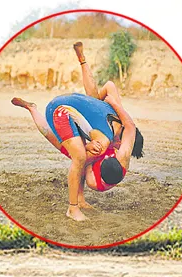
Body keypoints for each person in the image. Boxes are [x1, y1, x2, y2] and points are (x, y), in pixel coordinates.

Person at [11, 42, 144, 221]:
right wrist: (88, 147)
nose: (119, 147)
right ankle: (72, 208)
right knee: (78, 157)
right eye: (120, 146)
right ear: (120, 143)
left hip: (77, 104)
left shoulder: (116, 115)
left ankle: (34, 106)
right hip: (60, 110)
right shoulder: (105, 143)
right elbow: (86, 157)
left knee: (93, 101)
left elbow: (111, 87)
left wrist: (114, 105)